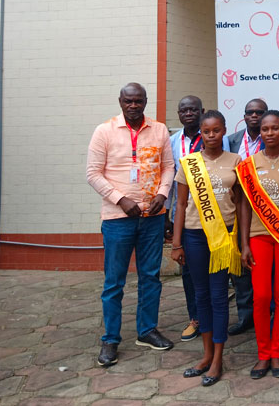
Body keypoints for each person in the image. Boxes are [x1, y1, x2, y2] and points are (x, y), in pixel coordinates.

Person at [86, 83, 175, 367]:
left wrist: (163, 193)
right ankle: (111, 339)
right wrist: (120, 199)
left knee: (151, 276)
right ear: (121, 101)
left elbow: (169, 167)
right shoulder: (105, 131)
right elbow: (93, 173)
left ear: (146, 102)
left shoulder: (159, 130)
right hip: (118, 219)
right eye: (128, 101)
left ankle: (147, 330)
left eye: (138, 101)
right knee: (115, 282)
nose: (133, 105)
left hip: (152, 217)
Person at [170, 110, 243, 386]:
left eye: (216, 130)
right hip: (194, 236)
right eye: (206, 131)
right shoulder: (188, 163)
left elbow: (241, 203)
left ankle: (218, 359)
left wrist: (241, 240)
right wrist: (176, 243)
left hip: (222, 238)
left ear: (224, 130)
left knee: (219, 296)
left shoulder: (236, 161)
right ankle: (206, 354)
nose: (211, 135)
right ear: (200, 132)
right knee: (201, 296)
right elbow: (179, 204)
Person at [238, 110, 279, 380]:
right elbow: (243, 206)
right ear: (260, 132)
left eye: (275, 128)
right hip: (258, 234)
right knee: (262, 296)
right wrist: (244, 244)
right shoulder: (248, 164)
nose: (269, 133)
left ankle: (277, 353)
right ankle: (262, 354)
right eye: (265, 129)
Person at [225, 98, 268, 336]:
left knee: (266, 266)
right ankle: (245, 315)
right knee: (241, 266)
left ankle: (268, 312)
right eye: (250, 112)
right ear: (244, 116)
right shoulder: (231, 141)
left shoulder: (273, 137)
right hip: (238, 210)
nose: (254, 116)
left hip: (268, 212)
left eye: (259, 112)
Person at [169, 95, 204, 343]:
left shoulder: (214, 138)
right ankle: (196, 318)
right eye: (184, 110)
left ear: (202, 111)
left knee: (219, 274)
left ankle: (219, 317)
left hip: (215, 216)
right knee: (189, 273)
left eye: (193, 109)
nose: (189, 113)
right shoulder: (171, 142)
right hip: (183, 215)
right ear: (179, 114)